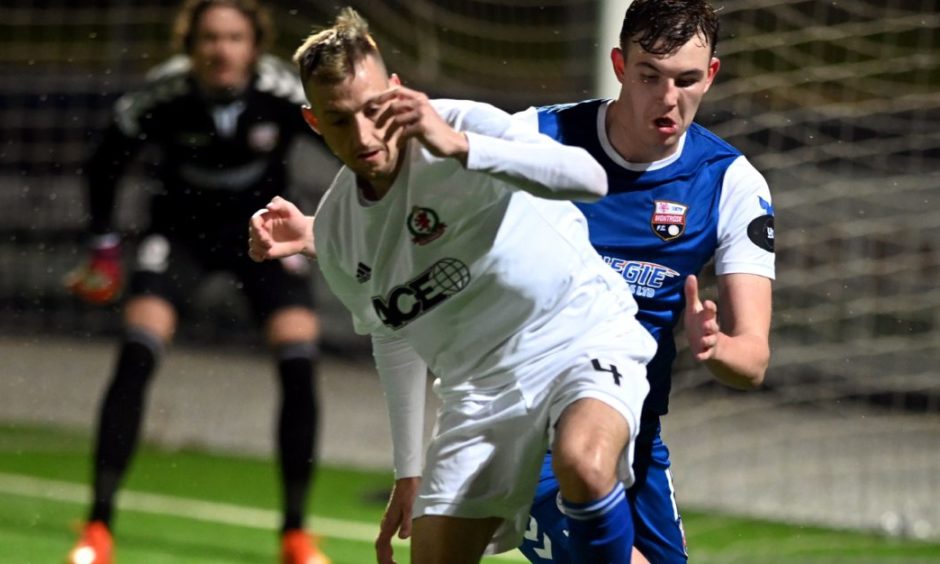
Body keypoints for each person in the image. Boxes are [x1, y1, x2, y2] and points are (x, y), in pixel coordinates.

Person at [249, 7, 659, 564]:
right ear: (314, 121)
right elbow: (393, 333)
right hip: (479, 392)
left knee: (583, 464)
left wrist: (461, 147)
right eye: (340, 120)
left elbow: (590, 178)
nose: (365, 135)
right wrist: (408, 471)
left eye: (374, 109)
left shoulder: (461, 123)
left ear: (396, 90)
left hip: (577, 338)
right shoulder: (340, 230)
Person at [64, 1, 332, 563]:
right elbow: (103, 161)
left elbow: (348, 146)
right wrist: (103, 247)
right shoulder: (163, 94)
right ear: (190, 45)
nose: (221, 50)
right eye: (209, 38)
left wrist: (351, 225)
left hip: (262, 233)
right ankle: (97, 526)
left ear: (254, 44)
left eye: (234, 37)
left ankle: (295, 534)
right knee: (136, 355)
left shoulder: (283, 91)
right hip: (179, 234)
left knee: (300, 361)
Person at [514, 1, 775, 562]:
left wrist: (718, 346)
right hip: (527, 429)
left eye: (685, 80)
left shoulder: (728, 182)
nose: (667, 98)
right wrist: (324, 232)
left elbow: (753, 361)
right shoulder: (536, 139)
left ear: (711, 75)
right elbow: (424, 211)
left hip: (634, 435)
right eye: (648, 76)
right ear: (618, 65)